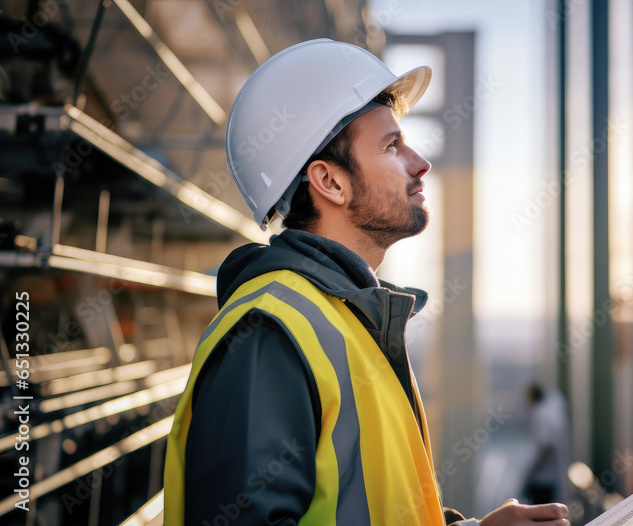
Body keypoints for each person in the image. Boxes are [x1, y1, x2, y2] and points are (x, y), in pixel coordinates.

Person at [162, 39, 570, 526]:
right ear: (330, 182)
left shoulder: (348, 321)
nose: (420, 163)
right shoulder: (269, 334)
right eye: (391, 146)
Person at [524, 384, 571, 505]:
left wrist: (530, 473)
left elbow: (546, 446)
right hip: (550, 477)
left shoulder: (539, 414)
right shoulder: (548, 413)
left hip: (542, 479)